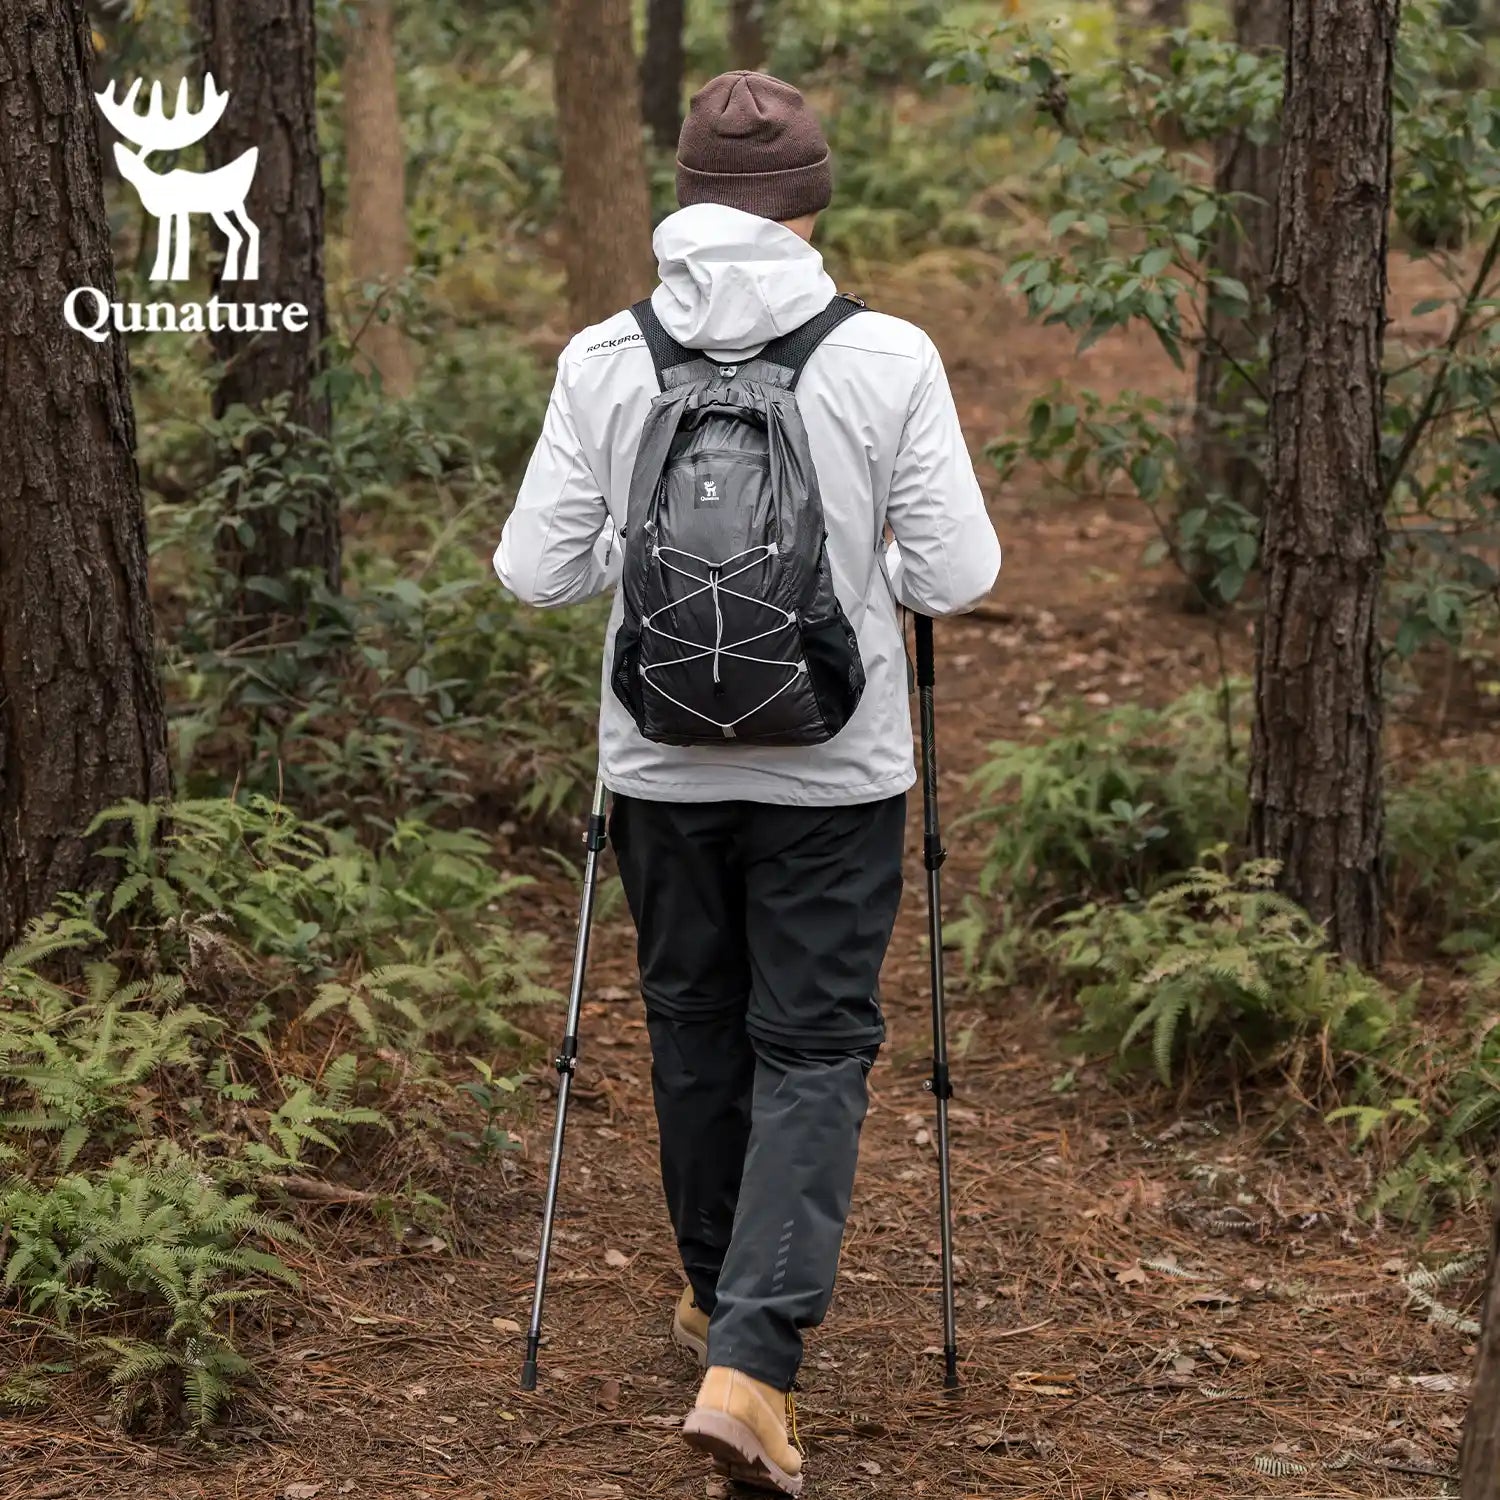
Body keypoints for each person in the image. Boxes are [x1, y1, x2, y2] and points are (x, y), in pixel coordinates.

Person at [496, 69, 1001, 1497]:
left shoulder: (608, 354)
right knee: (816, 1046)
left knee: (692, 1024)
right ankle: (753, 1361)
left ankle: (717, 1296)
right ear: (813, 201)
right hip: (839, 770)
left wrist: (635, 559)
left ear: (684, 194)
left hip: (656, 761)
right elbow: (958, 576)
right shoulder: (887, 355)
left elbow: (536, 569)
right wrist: (857, 563)